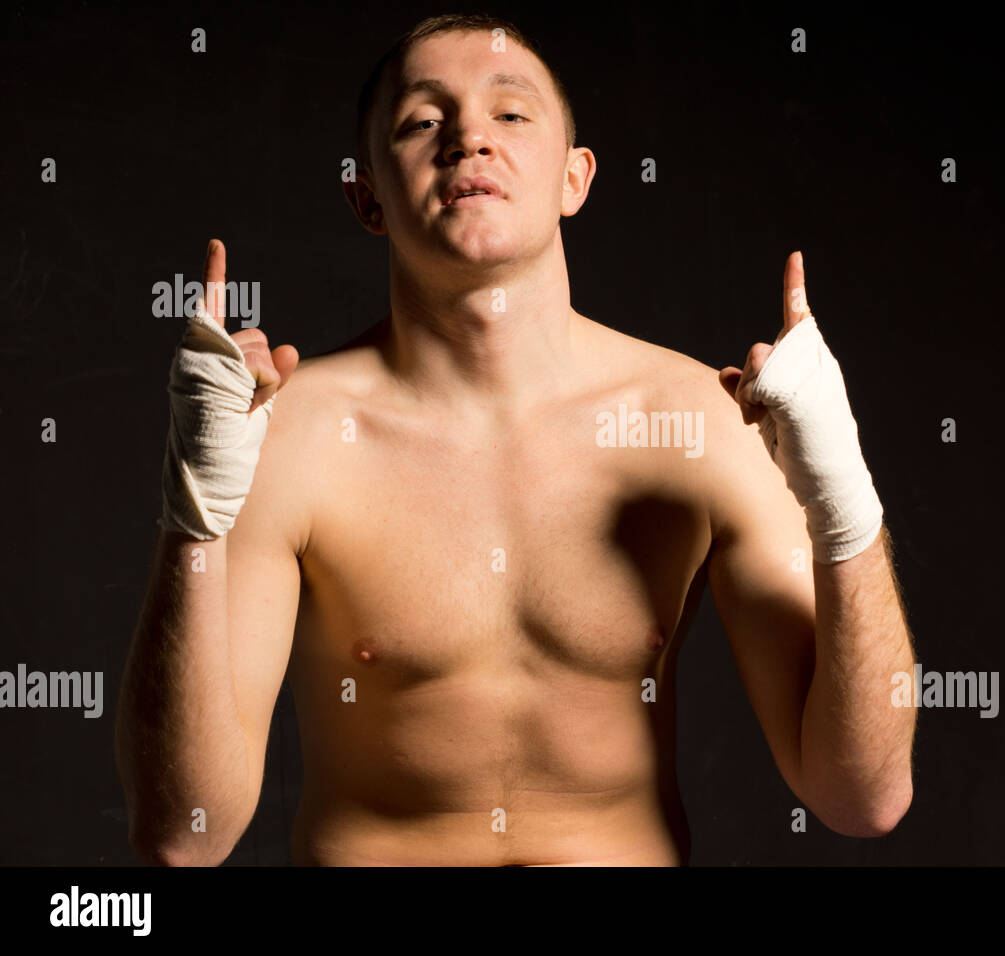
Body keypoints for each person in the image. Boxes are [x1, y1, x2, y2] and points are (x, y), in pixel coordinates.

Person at [115, 13, 917, 866]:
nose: (468, 137)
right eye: (423, 121)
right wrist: (194, 510)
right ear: (368, 198)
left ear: (576, 178)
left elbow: (863, 795)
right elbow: (182, 836)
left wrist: (842, 491)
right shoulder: (285, 435)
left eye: (511, 113)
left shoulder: (702, 422)